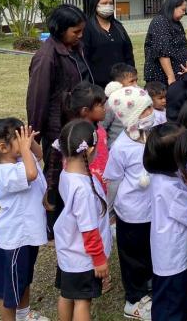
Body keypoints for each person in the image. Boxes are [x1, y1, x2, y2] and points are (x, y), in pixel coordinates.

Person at [0, 119, 49, 321]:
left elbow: (39, 155)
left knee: (23, 279)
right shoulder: (5, 172)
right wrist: (25, 148)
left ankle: (24, 315)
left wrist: (29, 141)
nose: (24, 141)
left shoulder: (21, 159)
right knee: (9, 291)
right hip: (15, 239)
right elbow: (31, 173)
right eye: (19, 138)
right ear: (3, 148)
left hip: (27, 235)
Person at [26, 4, 92, 232]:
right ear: (60, 29)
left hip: (77, 122)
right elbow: (38, 98)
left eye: (82, 31)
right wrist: (34, 137)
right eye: (76, 31)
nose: (80, 35)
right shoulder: (46, 58)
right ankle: (52, 223)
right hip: (59, 127)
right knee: (55, 174)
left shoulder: (75, 48)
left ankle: (73, 217)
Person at [103, 86, 155, 320]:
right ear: (132, 117)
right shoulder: (121, 147)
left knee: (150, 251)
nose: (151, 113)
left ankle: (149, 287)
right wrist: (110, 210)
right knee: (133, 257)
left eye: (150, 107)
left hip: (153, 210)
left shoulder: (151, 135)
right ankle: (133, 300)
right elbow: (113, 181)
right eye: (146, 110)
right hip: (132, 213)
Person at [52, 120, 112, 321]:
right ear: (90, 150)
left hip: (69, 252)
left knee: (67, 295)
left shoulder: (66, 173)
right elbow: (89, 230)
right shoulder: (83, 190)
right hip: (84, 258)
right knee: (83, 302)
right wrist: (99, 259)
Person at [143, 123, 187, 321]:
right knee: (171, 304)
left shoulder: (163, 176)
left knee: (170, 299)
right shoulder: (169, 188)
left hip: (169, 252)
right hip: (172, 256)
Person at [82, 0, 135, 89]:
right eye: (104, 3)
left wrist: (131, 76)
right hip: (98, 86)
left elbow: (128, 54)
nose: (108, 6)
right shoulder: (87, 28)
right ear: (95, 4)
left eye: (111, 3)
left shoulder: (118, 27)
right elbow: (85, 57)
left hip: (121, 84)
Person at [65, 82, 109, 188]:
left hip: (102, 183)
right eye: (101, 105)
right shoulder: (77, 135)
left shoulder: (99, 128)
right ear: (85, 111)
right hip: (88, 185)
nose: (105, 109)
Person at [144, 0, 187, 86]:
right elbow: (163, 52)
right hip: (162, 78)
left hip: (177, 76)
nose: (184, 13)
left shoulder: (176, 23)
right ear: (173, 7)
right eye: (183, 10)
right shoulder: (160, 21)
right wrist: (171, 76)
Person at [102, 64, 140, 147]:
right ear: (117, 85)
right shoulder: (111, 104)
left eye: (136, 80)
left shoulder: (139, 99)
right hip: (117, 148)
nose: (136, 85)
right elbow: (102, 127)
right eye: (131, 81)